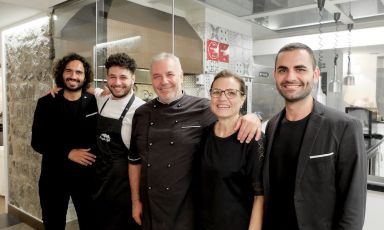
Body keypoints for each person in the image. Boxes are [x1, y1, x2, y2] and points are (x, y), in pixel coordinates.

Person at [128, 52, 262, 230]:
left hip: (187, 211)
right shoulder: (141, 113)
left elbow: (229, 112)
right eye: (157, 76)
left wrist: (256, 117)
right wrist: (136, 201)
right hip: (151, 207)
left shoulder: (204, 108)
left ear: (181, 76)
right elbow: (134, 161)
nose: (164, 81)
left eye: (170, 74)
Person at [262, 42, 367, 230]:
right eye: (283, 70)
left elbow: (353, 204)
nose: (290, 77)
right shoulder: (272, 125)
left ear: (315, 74)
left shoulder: (344, 126)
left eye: (300, 69)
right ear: (275, 75)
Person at [31, 53, 98, 230]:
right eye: (69, 71)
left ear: (85, 76)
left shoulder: (95, 102)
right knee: (53, 224)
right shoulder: (46, 103)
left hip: (86, 179)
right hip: (53, 178)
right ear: (61, 73)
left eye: (79, 72)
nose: (73, 76)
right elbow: (37, 141)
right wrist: (68, 152)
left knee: (90, 223)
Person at [199, 70, 264, 230]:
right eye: (217, 92)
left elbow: (260, 196)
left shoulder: (253, 138)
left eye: (231, 93)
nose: (222, 98)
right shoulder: (204, 134)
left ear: (243, 98)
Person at [92, 53, 144, 230]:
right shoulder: (102, 98)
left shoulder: (141, 109)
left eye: (123, 77)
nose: (117, 82)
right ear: (106, 78)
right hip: (100, 179)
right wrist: (58, 88)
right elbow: (85, 87)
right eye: (112, 77)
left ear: (133, 78)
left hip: (123, 185)